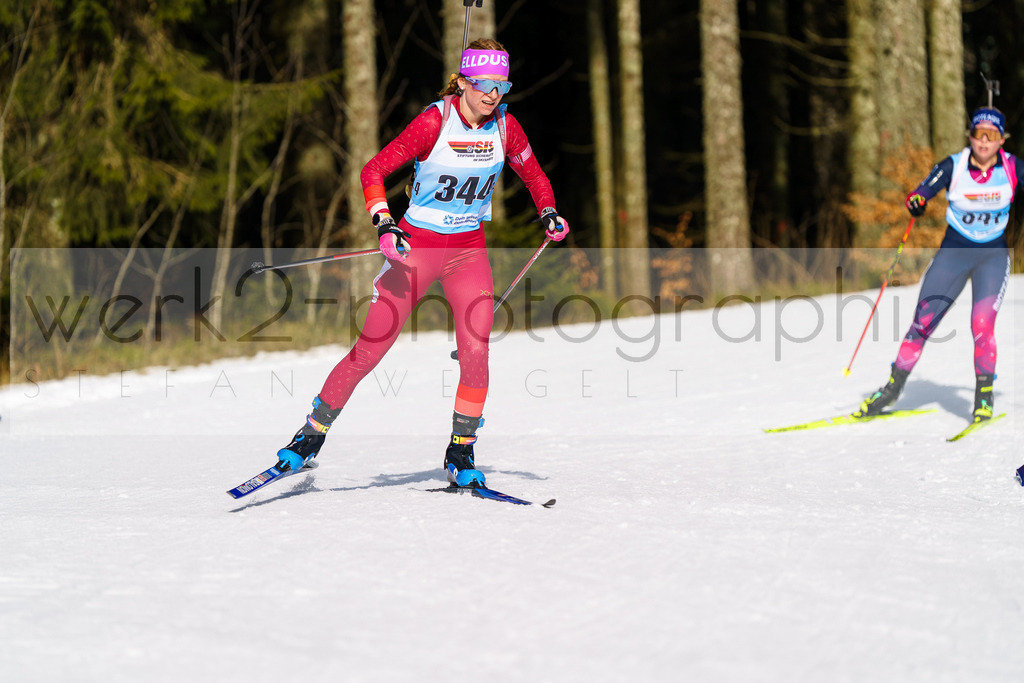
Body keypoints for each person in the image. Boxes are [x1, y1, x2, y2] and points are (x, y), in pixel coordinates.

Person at [273, 38, 569, 487]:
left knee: (476, 354)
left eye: (502, 85)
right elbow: (372, 170)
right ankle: (309, 436)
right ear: (465, 81)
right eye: (485, 84)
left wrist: (548, 211)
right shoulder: (435, 120)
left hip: (469, 253)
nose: (493, 95)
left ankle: (461, 451)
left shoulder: (507, 127)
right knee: (371, 349)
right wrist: (385, 223)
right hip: (418, 249)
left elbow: (534, 176)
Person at [859, 107, 1022, 423]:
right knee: (922, 322)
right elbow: (922, 191)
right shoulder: (955, 164)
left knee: (982, 325)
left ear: (1002, 139)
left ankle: (984, 398)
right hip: (953, 254)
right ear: (970, 136)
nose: (984, 141)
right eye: (978, 134)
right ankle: (893, 388)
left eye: (991, 135)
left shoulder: (1013, 167)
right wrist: (917, 200)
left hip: (993, 257)